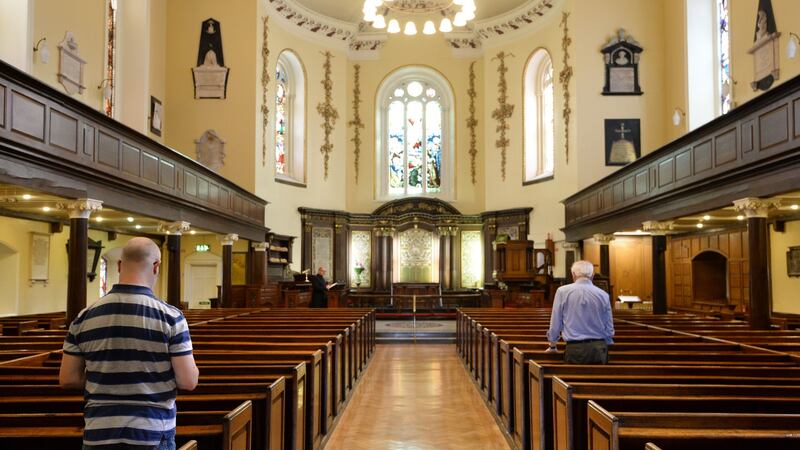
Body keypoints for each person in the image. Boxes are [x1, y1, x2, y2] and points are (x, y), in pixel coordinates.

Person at [59, 237, 199, 449]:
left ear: (119, 265)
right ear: (156, 266)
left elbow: (68, 379)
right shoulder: (171, 317)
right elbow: (188, 382)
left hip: (99, 428)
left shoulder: (84, 317)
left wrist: (105, 378)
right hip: (152, 428)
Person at [545, 260, 615, 364]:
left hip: (574, 348)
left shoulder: (562, 291)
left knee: (572, 380)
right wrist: (606, 343)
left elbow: (556, 321)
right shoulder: (603, 295)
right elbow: (609, 327)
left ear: (573, 274)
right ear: (592, 275)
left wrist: (553, 345)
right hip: (599, 348)